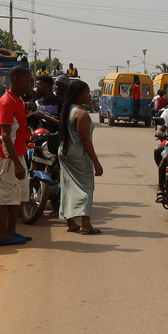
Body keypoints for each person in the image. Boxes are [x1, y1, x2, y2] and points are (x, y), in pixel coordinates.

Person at [0, 65, 33, 247]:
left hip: (18, 155)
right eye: (27, 80)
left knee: (17, 196)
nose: (29, 84)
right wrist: (16, 163)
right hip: (7, 157)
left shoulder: (17, 100)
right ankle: (3, 235)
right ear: (16, 79)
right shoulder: (7, 102)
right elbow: (5, 135)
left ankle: (11, 232)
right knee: (4, 196)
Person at [58, 80, 104, 234]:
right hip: (78, 154)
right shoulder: (82, 114)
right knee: (86, 187)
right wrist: (96, 162)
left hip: (65, 152)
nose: (89, 96)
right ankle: (86, 224)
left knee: (68, 186)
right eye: (87, 93)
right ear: (79, 96)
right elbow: (85, 140)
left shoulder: (67, 109)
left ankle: (71, 223)